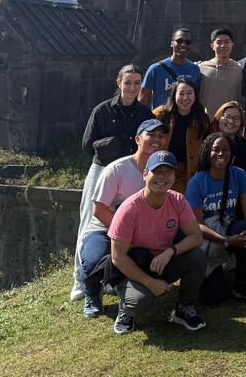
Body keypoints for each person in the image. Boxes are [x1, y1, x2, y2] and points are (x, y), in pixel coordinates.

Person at [72, 64, 151, 301]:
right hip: (102, 169)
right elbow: (88, 144)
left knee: (127, 221)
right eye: (128, 82)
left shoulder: (144, 113)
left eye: (137, 83)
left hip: (131, 169)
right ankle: (80, 277)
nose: (132, 87)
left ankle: (109, 276)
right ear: (119, 83)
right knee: (89, 220)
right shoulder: (102, 110)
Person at [108, 150, 208, 335]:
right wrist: (150, 283)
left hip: (162, 262)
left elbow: (196, 236)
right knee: (139, 303)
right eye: (157, 171)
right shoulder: (129, 209)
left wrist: (171, 251)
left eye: (167, 172)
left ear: (173, 176)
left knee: (197, 256)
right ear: (145, 174)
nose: (162, 177)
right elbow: (118, 258)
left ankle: (184, 308)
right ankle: (125, 306)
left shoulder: (178, 200)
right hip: (133, 266)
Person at [78, 117, 168, 317]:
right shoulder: (117, 169)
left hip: (141, 232)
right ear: (137, 139)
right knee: (93, 260)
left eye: (161, 136)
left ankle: (125, 286)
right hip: (104, 229)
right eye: (151, 135)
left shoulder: (163, 170)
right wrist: (124, 235)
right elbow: (99, 209)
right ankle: (92, 292)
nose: (157, 139)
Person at [185, 132, 246, 304]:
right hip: (208, 241)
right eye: (216, 149)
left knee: (245, 229)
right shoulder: (196, 182)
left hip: (230, 231)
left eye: (226, 149)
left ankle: (242, 285)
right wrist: (227, 240)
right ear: (207, 152)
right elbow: (197, 226)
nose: (221, 154)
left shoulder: (238, 174)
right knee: (213, 298)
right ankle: (213, 271)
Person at [154, 77, 210, 193]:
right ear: (174, 95)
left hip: (188, 172)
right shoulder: (160, 115)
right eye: (181, 93)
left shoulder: (201, 120)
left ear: (195, 96)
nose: (185, 98)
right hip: (162, 168)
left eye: (189, 93)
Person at [139, 28, 202, 110]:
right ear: (172, 43)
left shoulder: (195, 69)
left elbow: (197, 98)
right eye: (179, 41)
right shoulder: (155, 69)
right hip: (162, 119)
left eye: (188, 42)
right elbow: (142, 100)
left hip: (186, 120)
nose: (183, 44)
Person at [198, 27, 243, 118]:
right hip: (207, 123)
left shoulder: (240, 69)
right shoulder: (201, 68)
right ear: (212, 46)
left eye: (227, 42)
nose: (223, 46)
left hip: (232, 123)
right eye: (219, 42)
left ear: (232, 44)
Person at [213, 101, 246, 175]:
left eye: (236, 118)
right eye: (227, 116)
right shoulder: (207, 142)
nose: (231, 121)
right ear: (218, 118)